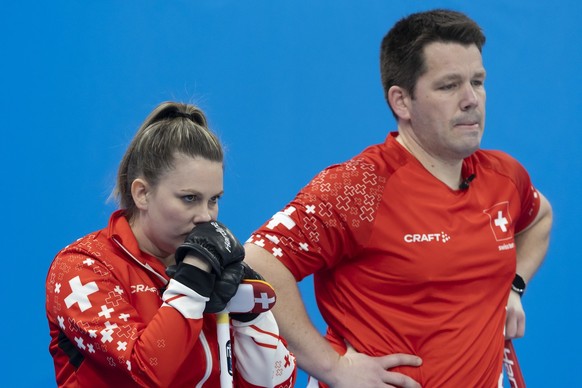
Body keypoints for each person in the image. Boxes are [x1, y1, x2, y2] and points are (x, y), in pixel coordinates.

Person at [244, 9, 552, 387]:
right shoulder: (360, 186)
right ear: (402, 102)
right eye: (449, 86)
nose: (472, 99)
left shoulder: (504, 177)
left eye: (478, 81)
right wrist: (332, 368)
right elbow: (257, 262)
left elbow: (539, 218)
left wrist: (513, 287)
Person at [46, 101, 296, 387]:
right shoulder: (83, 266)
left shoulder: (211, 266)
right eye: (189, 198)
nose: (205, 216)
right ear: (141, 194)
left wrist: (252, 319)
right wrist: (192, 279)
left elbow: (277, 383)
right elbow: (146, 370)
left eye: (214, 199)